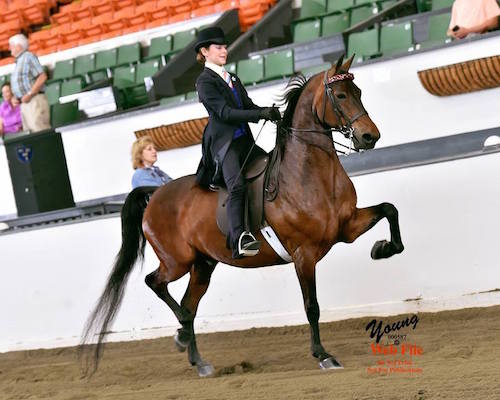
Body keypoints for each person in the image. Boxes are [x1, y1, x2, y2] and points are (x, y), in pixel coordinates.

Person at [194, 26, 281, 259]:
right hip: (224, 144)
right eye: (219, 47)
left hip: (244, 140)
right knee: (237, 185)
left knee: (273, 166)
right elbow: (224, 113)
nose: (224, 50)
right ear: (205, 51)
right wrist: (258, 115)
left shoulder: (232, 78)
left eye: (225, 47)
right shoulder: (205, 82)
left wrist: (267, 111)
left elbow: (247, 106)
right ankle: (239, 238)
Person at [8, 33, 51, 133]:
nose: (10, 49)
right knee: (30, 135)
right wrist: (16, 97)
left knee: (40, 131)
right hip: (25, 103)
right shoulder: (19, 61)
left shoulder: (28, 57)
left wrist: (29, 94)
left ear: (19, 46)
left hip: (34, 100)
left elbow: (42, 77)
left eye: (12, 46)